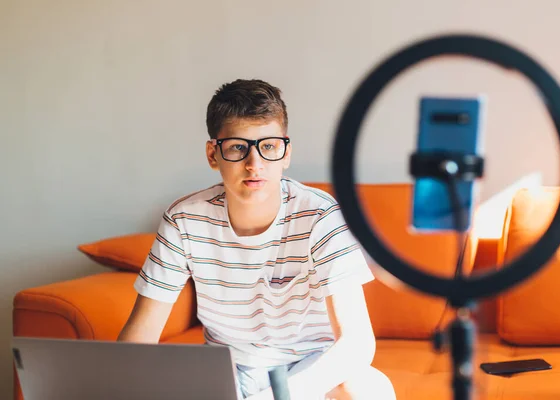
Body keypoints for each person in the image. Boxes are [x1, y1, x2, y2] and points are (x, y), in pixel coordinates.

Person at [118, 78, 396, 400]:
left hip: (312, 369)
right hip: (228, 372)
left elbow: (356, 344)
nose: (255, 164)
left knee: (368, 389)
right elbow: (141, 338)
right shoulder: (183, 220)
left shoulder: (321, 216)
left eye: (269, 146)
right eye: (238, 147)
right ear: (213, 154)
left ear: (286, 153)